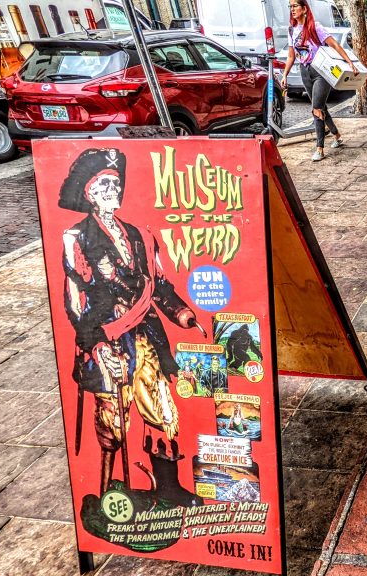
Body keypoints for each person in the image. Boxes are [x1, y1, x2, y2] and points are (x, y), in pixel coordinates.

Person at [59, 148, 206, 495]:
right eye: (103, 185)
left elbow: (160, 286)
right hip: (107, 339)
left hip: (146, 336)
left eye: (115, 183)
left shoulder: (141, 235)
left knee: (162, 410)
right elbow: (76, 300)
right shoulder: (76, 238)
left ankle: (169, 490)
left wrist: (182, 313)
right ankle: (109, 492)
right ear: (89, 194)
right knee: (113, 421)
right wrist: (94, 342)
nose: (111, 190)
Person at [279, 0, 359, 162]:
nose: (292, 9)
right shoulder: (291, 30)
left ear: (304, 8)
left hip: (321, 72)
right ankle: (337, 135)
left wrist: (349, 62)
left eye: (295, 6)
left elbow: (334, 45)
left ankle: (320, 148)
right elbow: (291, 55)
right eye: (290, 6)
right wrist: (285, 75)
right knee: (321, 107)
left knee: (316, 108)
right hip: (305, 72)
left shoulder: (315, 27)